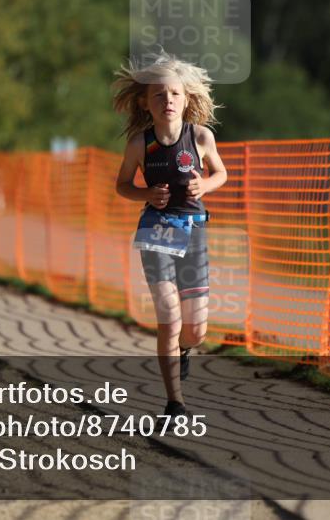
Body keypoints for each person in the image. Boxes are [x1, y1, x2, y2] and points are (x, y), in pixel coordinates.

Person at [113, 52, 228, 417]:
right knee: (170, 314)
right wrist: (146, 194)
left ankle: (184, 349)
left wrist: (205, 186)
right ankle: (175, 402)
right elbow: (122, 185)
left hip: (194, 231)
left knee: (195, 330)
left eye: (175, 94)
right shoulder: (139, 144)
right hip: (156, 231)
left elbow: (221, 174)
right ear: (146, 103)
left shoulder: (200, 136)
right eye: (159, 95)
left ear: (187, 99)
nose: (168, 101)